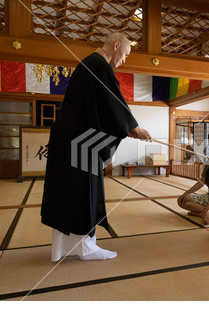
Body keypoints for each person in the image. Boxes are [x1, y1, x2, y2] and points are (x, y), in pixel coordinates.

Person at [41, 32, 151, 262]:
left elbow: (102, 108)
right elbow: (114, 102)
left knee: (69, 193)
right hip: (79, 143)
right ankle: (85, 248)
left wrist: (128, 127)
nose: (124, 59)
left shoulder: (89, 64)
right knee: (82, 192)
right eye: (126, 54)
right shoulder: (98, 65)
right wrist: (133, 127)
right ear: (117, 45)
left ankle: (66, 247)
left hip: (73, 140)